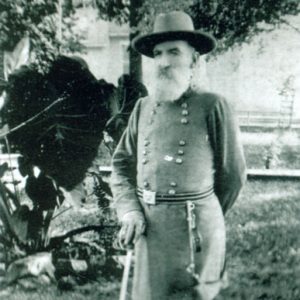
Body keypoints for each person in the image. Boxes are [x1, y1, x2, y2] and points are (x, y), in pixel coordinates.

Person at [110, 10, 246, 300]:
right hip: (151, 229)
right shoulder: (143, 107)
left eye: (174, 52)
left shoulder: (213, 105)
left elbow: (233, 176)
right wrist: (130, 210)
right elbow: (121, 165)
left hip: (196, 233)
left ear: (193, 59)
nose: (164, 61)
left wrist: (206, 215)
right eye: (158, 53)